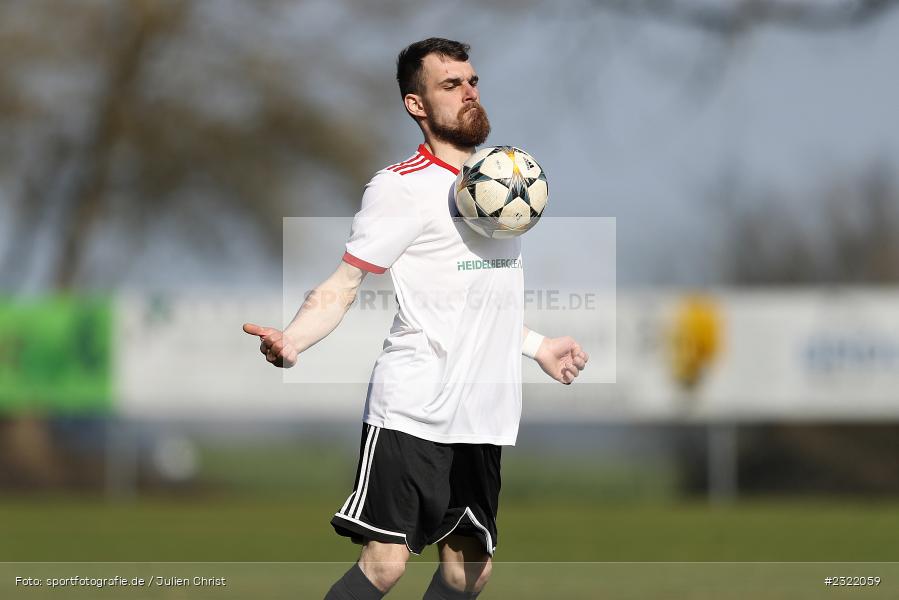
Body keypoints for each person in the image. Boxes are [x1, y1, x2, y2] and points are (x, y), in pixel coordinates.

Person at [243, 37, 588, 600]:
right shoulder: (399, 187)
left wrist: (537, 346)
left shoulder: (505, 181)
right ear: (416, 105)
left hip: (481, 410)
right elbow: (345, 282)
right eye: (451, 85)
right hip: (414, 406)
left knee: (467, 572)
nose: (468, 92)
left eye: (472, 81)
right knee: (385, 566)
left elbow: (476, 304)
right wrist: (296, 337)